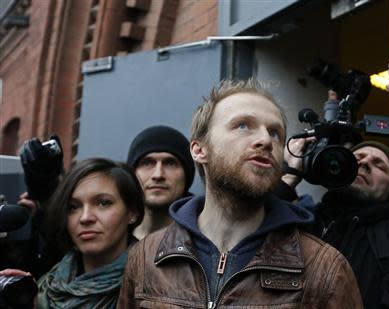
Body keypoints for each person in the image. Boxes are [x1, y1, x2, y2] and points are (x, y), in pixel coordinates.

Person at [117, 79, 363, 308]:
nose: (265, 140)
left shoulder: (324, 268)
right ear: (199, 149)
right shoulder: (147, 255)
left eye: (275, 133)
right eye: (243, 125)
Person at [278, 122, 389, 308]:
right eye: (356, 158)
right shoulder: (301, 221)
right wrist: (289, 177)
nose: (365, 163)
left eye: (379, 166)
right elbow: (248, 229)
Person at [36, 158, 144, 308]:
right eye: (73, 207)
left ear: (132, 212)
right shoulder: (45, 289)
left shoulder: (155, 288)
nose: (85, 218)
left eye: (103, 203)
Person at [126, 125, 195, 238]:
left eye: (170, 163)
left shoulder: (205, 239)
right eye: (148, 163)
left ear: (186, 175)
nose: (158, 175)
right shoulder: (113, 239)